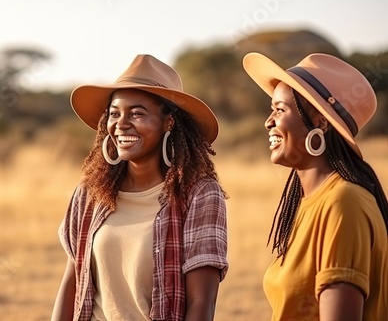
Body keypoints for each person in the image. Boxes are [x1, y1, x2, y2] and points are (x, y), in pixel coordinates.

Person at [51, 54, 229, 321]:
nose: (121, 124)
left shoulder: (199, 194)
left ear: (168, 122)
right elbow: (71, 284)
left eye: (137, 113)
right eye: (114, 114)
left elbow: (202, 302)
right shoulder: (90, 192)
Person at [242, 52, 388, 320]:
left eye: (279, 109)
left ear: (320, 121)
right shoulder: (313, 201)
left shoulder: (343, 203)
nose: (268, 121)